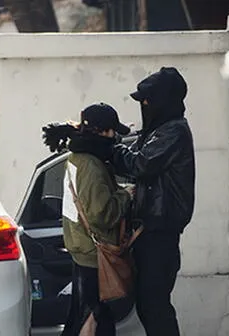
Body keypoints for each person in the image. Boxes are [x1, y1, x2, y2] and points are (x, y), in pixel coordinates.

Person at [109, 67, 196, 336]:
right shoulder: (157, 130)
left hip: (161, 233)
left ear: (163, 101)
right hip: (149, 232)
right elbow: (130, 158)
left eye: (148, 100)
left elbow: (139, 163)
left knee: (154, 305)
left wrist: (106, 146)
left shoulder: (173, 132)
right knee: (149, 305)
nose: (144, 106)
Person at [42, 103, 133, 336]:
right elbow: (102, 215)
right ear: (102, 132)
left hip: (81, 248)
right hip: (95, 254)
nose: (115, 137)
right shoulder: (92, 166)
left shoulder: (76, 158)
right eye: (112, 131)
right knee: (93, 318)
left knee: (85, 315)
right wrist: (126, 195)